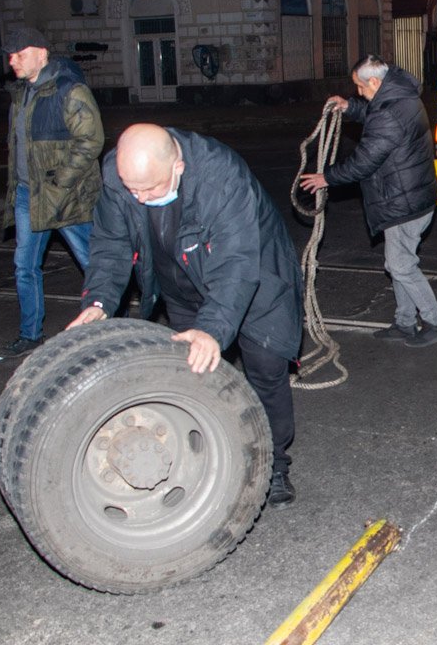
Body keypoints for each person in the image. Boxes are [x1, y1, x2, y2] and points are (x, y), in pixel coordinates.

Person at [68, 124, 303, 507]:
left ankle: (272, 465)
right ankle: (208, 457)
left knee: (265, 369)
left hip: (256, 277)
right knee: (194, 374)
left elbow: (236, 261)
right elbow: (111, 243)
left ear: (178, 165)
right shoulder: (119, 174)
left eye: (151, 189)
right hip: (179, 280)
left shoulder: (221, 175)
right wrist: (98, 301)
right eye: (133, 190)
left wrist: (211, 328)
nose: (140, 199)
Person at [299, 55, 437, 348]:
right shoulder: (399, 95)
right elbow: (373, 111)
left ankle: (436, 321)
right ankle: (405, 322)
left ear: (374, 81)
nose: (358, 92)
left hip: (404, 201)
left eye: (359, 87)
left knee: (401, 265)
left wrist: (326, 177)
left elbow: (363, 162)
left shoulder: (390, 113)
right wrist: (349, 107)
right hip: (409, 195)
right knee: (398, 263)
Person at [0, 26, 103, 358]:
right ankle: (30, 334)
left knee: (94, 263)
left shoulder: (70, 89)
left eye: (20, 53)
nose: (13, 60)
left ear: (42, 54)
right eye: (10, 55)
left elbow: (92, 140)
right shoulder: (21, 94)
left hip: (64, 195)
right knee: (24, 265)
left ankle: (110, 329)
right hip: (29, 195)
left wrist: (60, 183)